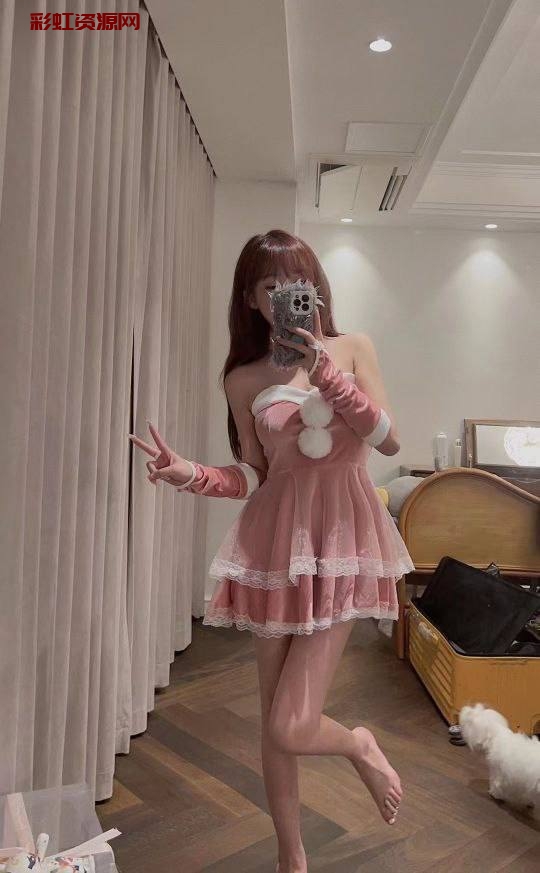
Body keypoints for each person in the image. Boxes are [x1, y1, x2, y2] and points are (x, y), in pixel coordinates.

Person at [129, 230, 415, 873]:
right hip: (275, 546)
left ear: (316, 288)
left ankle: (359, 744)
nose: (288, 294)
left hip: (342, 541)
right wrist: (191, 474)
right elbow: (256, 474)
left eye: (298, 282)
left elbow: (390, 441)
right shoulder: (243, 378)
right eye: (271, 285)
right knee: (273, 719)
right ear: (252, 300)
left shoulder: (353, 347)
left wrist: (328, 375)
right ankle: (292, 856)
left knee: (293, 722)